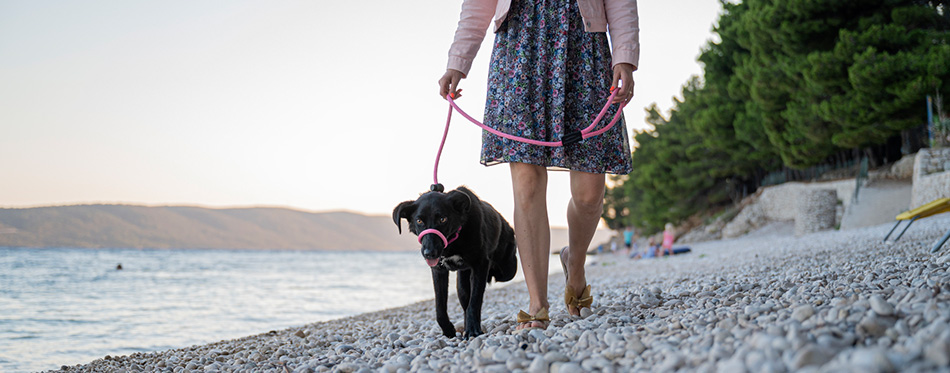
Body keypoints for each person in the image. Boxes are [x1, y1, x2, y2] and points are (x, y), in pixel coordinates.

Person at [439, 0, 639, 330]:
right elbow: (476, 6)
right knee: (527, 185)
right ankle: (537, 304)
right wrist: (457, 63)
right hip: (519, 50)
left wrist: (626, 58)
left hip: (584, 49)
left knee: (590, 194)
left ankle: (575, 262)